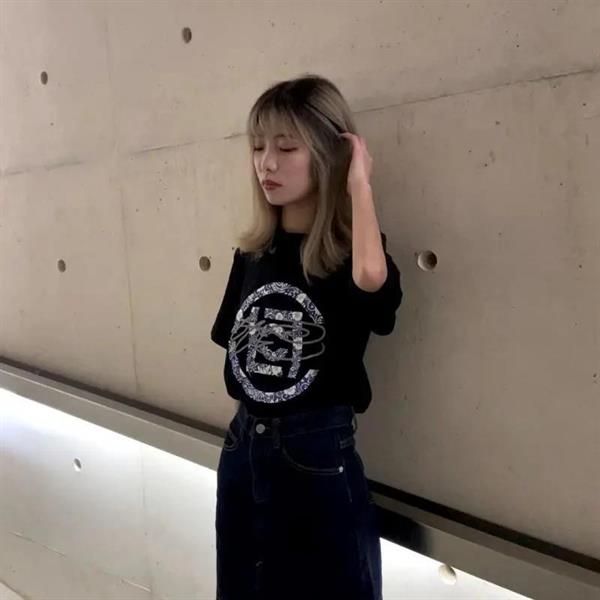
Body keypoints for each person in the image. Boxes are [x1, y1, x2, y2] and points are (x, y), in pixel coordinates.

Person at [210, 74, 403, 600]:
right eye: (258, 148)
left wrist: (358, 186)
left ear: (326, 154)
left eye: (287, 147)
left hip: (315, 453)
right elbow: (235, 349)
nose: (266, 164)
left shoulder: (351, 255)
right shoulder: (253, 254)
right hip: (243, 445)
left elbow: (372, 280)